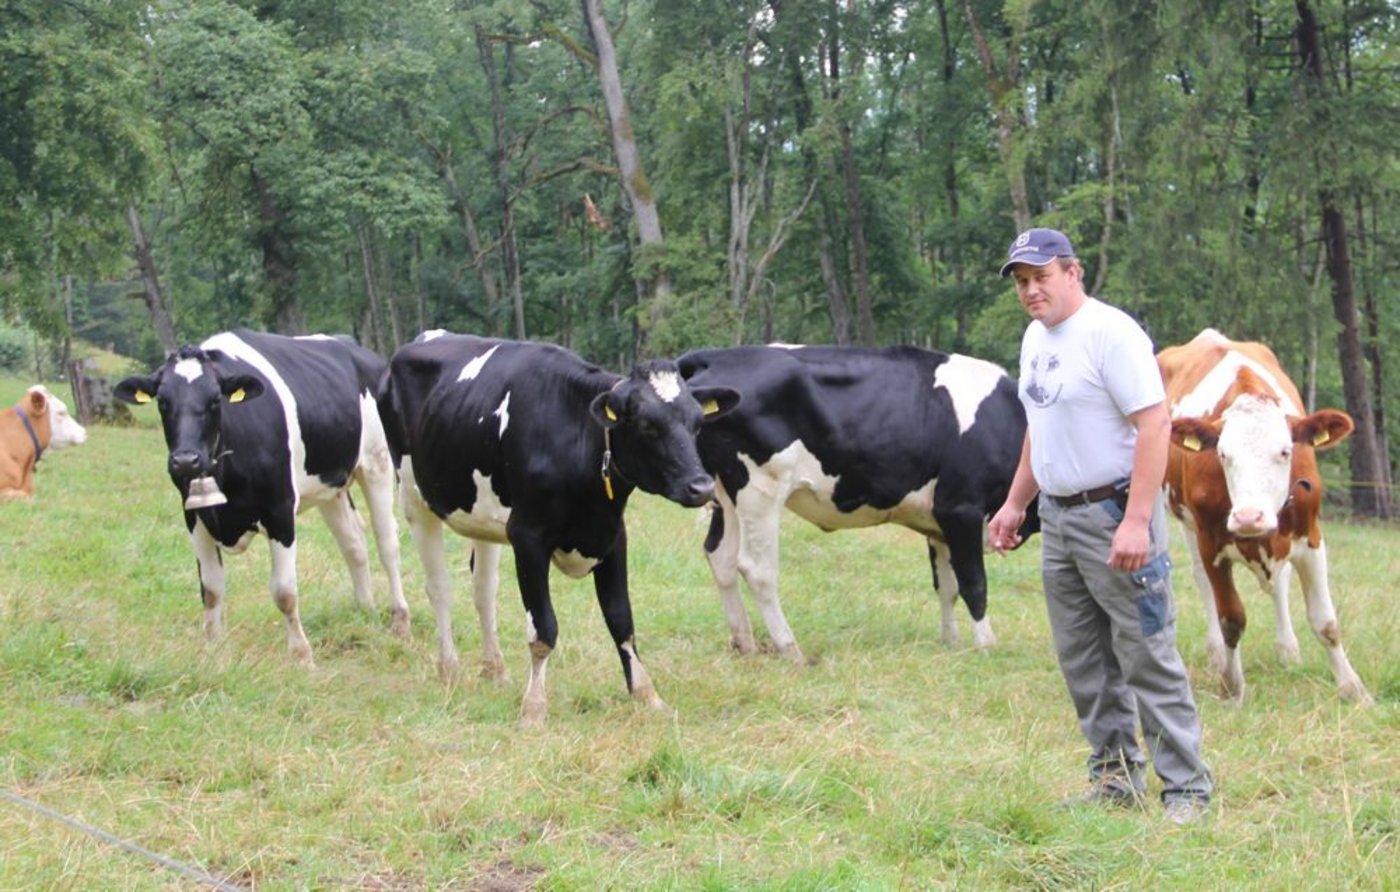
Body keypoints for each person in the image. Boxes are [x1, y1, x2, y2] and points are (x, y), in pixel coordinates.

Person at [987, 227, 1213, 825]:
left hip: (1113, 512)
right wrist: (1016, 504)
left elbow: (1155, 425)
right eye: (1022, 281)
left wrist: (1137, 520)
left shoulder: (1112, 334)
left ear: (1073, 272)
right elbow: (1042, 424)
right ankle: (1116, 781)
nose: (1032, 291)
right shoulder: (1035, 338)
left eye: (1041, 277)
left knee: (1146, 653)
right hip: (1058, 520)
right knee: (1084, 659)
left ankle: (1186, 790)